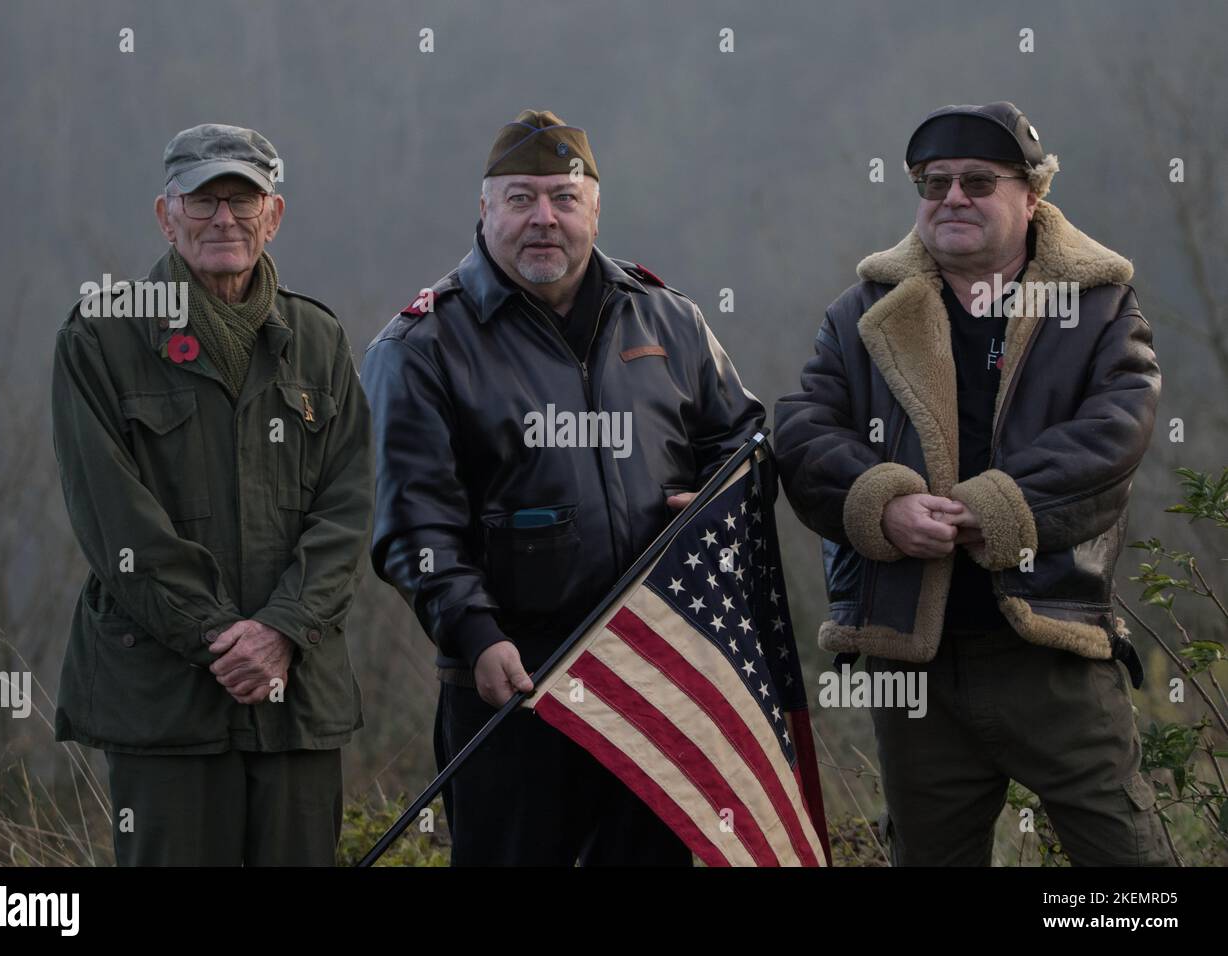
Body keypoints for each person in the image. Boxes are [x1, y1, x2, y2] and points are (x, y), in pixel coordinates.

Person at [360, 109, 765, 865]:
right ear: (485, 209)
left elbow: (743, 442)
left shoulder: (669, 319)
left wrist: (716, 504)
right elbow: (414, 528)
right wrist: (474, 634)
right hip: (513, 677)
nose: (544, 218)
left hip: (659, 672)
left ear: (595, 208)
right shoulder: (420, 348)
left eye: (564, 197)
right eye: (521, 198)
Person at [774, 102, 1170, 865]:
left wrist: (994, 507)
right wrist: (881, 505)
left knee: (1132, 878)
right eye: (934, 182)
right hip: (908, 657)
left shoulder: (1097, 308)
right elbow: (802, 431)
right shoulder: (861, 313)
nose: (952, 196)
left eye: (978, 181)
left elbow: (1115, 436)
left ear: (1032, 194)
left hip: (1051, 644)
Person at [51, 123, 370, 865]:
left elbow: (349, 507)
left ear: (274, 214)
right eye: (202, 201)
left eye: (242, 198)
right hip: (165, 705)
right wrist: (223, 641)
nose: (223, 218)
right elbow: (112, 516)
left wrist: (284, 629)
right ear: (166, 216)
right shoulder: (102, 336)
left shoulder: (319, 340)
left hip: (297, 701)